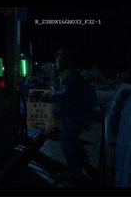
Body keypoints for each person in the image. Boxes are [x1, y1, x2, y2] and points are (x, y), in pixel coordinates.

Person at [41, 49, 98, 183]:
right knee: (72, 138)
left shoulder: (69, 74)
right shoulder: (70, 73)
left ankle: (75, 170)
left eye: (60, 60)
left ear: (66, 61)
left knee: (66, 138)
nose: (57, 63)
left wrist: (45, 97)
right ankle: (84, 163)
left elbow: (65, 94)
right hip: (82, 112)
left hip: (78, 113)